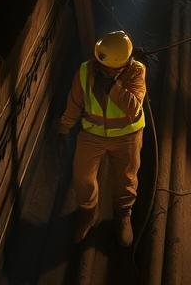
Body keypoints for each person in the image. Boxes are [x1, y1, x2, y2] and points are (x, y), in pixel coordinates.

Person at [57, 30, 147, 247]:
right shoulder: (86, 70)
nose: (99, 65)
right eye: (98, 59)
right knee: (82, 177)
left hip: (127, 135)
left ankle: (123, 215)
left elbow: (134, 110)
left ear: (120, 65)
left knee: (126, 178)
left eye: (104, 63)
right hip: (92, 134)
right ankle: (88, 214)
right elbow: (75, 101)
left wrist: (114, 88)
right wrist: (64, 127)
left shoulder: (136, 72)